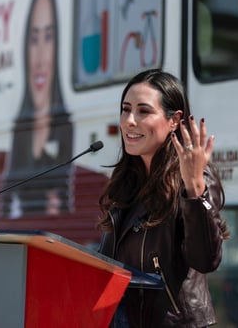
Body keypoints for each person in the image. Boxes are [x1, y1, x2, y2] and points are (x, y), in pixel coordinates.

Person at [97, 69, 229, 327]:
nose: (129, 121)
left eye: (143, 111)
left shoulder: (195, 178)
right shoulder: (124, 182)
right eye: (125, 109)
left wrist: (194, 189)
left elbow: (206, 259)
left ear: (174, 120)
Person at [1, 0, 73, 218]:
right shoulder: (19, 132)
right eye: (34, 39)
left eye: (48, 37)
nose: (40, 56)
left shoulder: (67, 131)